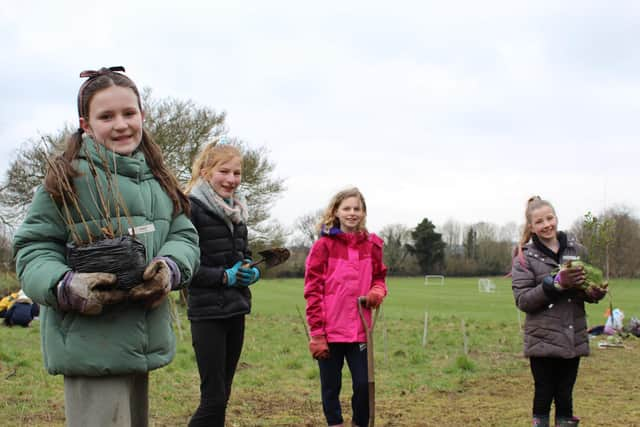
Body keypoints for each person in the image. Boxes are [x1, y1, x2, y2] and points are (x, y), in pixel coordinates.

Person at [12, 67, 200, 427]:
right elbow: (32, 250)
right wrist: (65, 285)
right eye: (106, 116)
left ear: (143, 115)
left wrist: (170, 268)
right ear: (85, 124)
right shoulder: (67, 179)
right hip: (90, 344)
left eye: (129, 113)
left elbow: (184, 235)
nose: (121, 124)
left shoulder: (158, 179)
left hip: (141, 341)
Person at [511, 196, 607, 427]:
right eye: (539, 221)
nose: (546, 225)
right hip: (542, 338)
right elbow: (523, 300)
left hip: (573, 336)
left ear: (556, 217)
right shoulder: (524, 258)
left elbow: (583, 289)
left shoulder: (576, 250)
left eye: (549, 218)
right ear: (531, 227)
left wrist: (593, 293)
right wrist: (553, 284)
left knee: (565, 395)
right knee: (544, 393)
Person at [184, 141, 261, 427]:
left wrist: (250, 270)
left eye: (237, 173)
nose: (231, 179)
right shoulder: (191, 208)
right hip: (207, 313)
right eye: (224, 171)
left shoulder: (238, 211)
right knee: (213, 398)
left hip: (236, 309)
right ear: (205, 172)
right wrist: (224, 276)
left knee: (223, 394)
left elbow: (243, 254)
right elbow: (185, 266)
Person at [304, 187, 388, 427]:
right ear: (336, 212)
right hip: (329, 331)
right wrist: (317, 333)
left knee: (363, 384)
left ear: (363, 213)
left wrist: (376, 292)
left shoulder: (372, 246)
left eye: (357, 209)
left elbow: (380, 279)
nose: (352, 213)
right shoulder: (323, 246)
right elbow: (312, 290)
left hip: (360, 330)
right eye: (347, 208)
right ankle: (335, 423)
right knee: (331, 386)